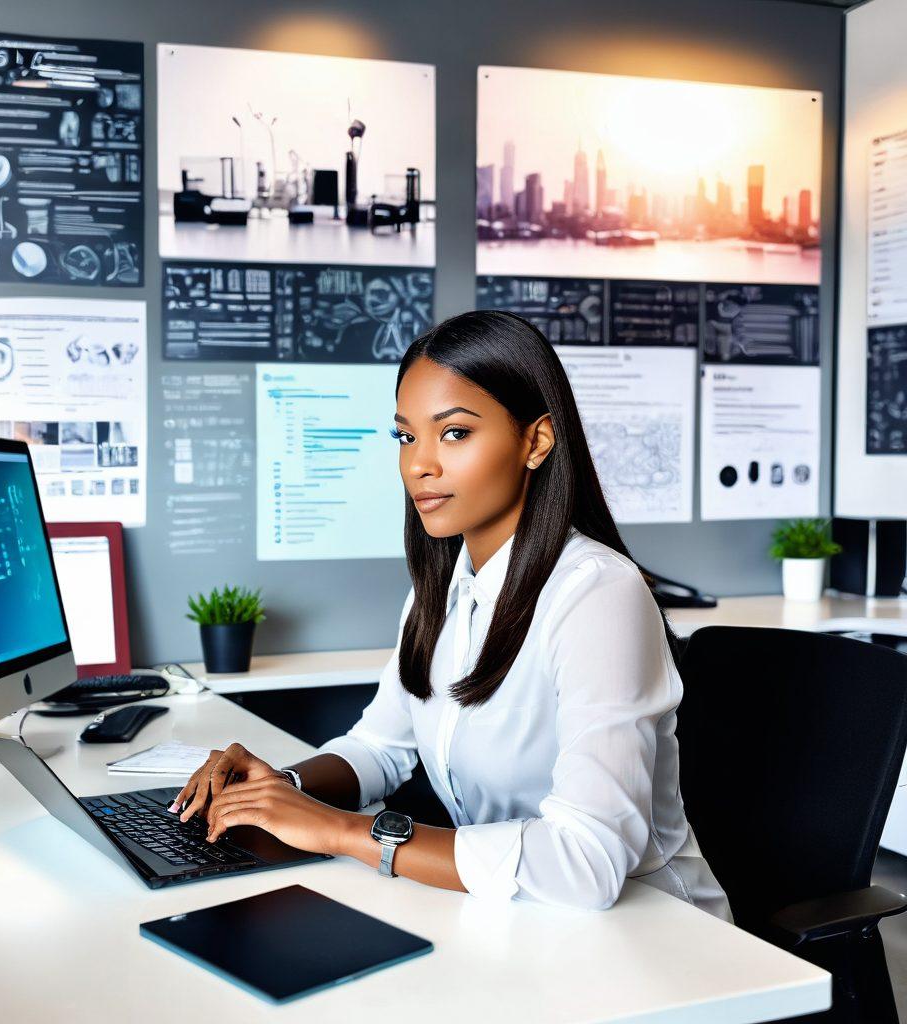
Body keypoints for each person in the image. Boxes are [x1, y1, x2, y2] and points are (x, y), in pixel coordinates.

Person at [173, 310, 731, 918]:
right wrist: (278, 791)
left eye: (455, 433)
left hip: (655, 936)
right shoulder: (439, 590)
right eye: (405, 436)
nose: (419, 464)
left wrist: (343, 833)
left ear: (536, 441)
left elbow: (586, 861)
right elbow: (379, 749)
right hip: (515, 917)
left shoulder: (597, 593)